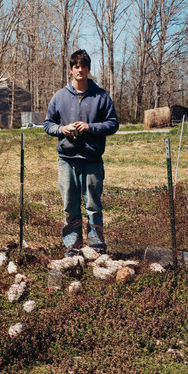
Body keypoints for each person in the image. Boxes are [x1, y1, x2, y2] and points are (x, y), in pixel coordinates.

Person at [43, 50, 119, 256]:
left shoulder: (101, 96)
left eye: (84, 66)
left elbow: (113, 124)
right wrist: (62, 129)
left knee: (93, 206)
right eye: (76, 66)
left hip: (92, 158)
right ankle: (72, 247)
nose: (80, 70)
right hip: (66, 160)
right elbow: (48, 124)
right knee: (70, 205)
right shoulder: (59, 96)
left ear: (88, 69)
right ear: (71, 69)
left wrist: (90, 127)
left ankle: (96, 248)